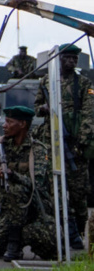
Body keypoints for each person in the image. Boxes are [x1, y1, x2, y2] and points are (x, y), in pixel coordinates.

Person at [33, 43, 94, 247]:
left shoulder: (84, 83)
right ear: (59, 59)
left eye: (74, 59)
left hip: (75, 146)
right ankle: (66, 233)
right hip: (53, 144)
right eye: (67, 58)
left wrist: (81, 143)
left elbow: (89, 115)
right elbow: (36, 107)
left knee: (78, 194)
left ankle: (79, 232)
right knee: (56, 191)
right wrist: (43, 108)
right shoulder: (46, 81)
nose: (71, 61)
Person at [0, 106, 56, 262]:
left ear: (22, 124)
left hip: (35, 211)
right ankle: (13, 240)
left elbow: (37, 185)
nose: (4, 126)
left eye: (9, 122)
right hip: (10, 212)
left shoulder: (37, 150)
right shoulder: (1, 146)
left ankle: (15, 243)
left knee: (51, 250)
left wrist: (13, 175)